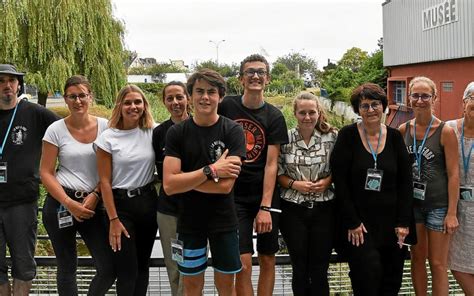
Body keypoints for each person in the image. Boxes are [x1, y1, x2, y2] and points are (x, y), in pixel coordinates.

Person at [163, 69, 245, 296]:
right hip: (189, 222)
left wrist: (186, 179)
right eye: (199, 91)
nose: (205, 97)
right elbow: (169, 185)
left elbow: (225, 186)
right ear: (190, 96)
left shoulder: (233, 130)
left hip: (224, 221)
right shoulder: (176, 133)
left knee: (226, 287)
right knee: (191, 287)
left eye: (211, 91)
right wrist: (212, 170)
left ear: (220, 96)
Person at [330, 83, 413, 296]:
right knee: (366, 275)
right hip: (360, 227)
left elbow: (405, 182)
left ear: (384, 107)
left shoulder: (395, 137)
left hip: (392, 225)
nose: (370, 110)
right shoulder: (347, 136)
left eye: (375, 104)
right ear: (358, 110)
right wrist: (352, 222)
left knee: (391, 280)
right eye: (364, 106)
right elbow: (340, 182)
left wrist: (403, 222)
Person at [218, 54, 289, 296]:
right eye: (250, 72)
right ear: (241, 79)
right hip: (234, 196)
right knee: (243, 264)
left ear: (267, 79)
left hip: (265, 196)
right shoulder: (226, 106)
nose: (255, 76)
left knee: (268, 259)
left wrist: (265, 207)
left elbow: (271, 164)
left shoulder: (275, 116)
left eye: (260, 72)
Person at [40, 75, 115, 295]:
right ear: (65, 99)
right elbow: (46, 172)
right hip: (61, 203)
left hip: (95, 204)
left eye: (82, 95)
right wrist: (69, 202)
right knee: (66, 268)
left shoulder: (106, 127)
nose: (78, 101)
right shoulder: (55, 130)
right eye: (72, 96)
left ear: (90, 96)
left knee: (108, 268)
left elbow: (113, 167)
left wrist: (95, 194)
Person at [0, 64, 59, 295]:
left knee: (23, 265)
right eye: (1, 80)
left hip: (22, 203)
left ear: (18, 85)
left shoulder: (35, 113)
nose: (7, 85)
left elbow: (69, 131)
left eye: (11, 81)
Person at [399, 76, 459, 296]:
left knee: (437, 263)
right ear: (410, 98)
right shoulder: (403, 130)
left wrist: (452, 213)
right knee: (417, 258)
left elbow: (454, 174)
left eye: (425, 96)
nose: (420, 100)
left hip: (438, 206)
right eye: (416, 95)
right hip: (412, 206)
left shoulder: (445, 131)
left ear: (434, 98)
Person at [95, 84, 157, 295]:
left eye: (138, 102)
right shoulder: (107, 138)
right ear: (120, 106)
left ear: (144, 105)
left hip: (148, 202)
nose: (133, 107)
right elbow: (104, 181)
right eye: (128, 102)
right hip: (121, 207)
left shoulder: (153, 131)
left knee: (142, 266)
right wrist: (113, 219)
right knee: (127, 271)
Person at [277, 92, 337, 296]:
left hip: (324, 209)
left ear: (319, 113)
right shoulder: (284, 139)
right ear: (295, 113)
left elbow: (342, 169)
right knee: (299, 268)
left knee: (320, 268)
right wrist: (295, 184)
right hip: (293, 210)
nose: (307, 117)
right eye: (302, 112)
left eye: (312, 112)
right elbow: (277, 173)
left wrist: (327, 181)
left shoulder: (332, 137)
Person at [152, 81, 190, 296]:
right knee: (174, 262)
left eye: (179, 97)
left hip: (196, 207)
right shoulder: (159, 133)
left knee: (194, 264)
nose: (175, 102)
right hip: (168, 209)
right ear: (164, 102)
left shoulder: (199, 126)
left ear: (188, 98)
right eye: (170, 98)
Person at [446, 82, 474, 295]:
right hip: (454, 209)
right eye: (472, 97)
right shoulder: (449, 129)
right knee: (456, 262)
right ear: (464, 102)